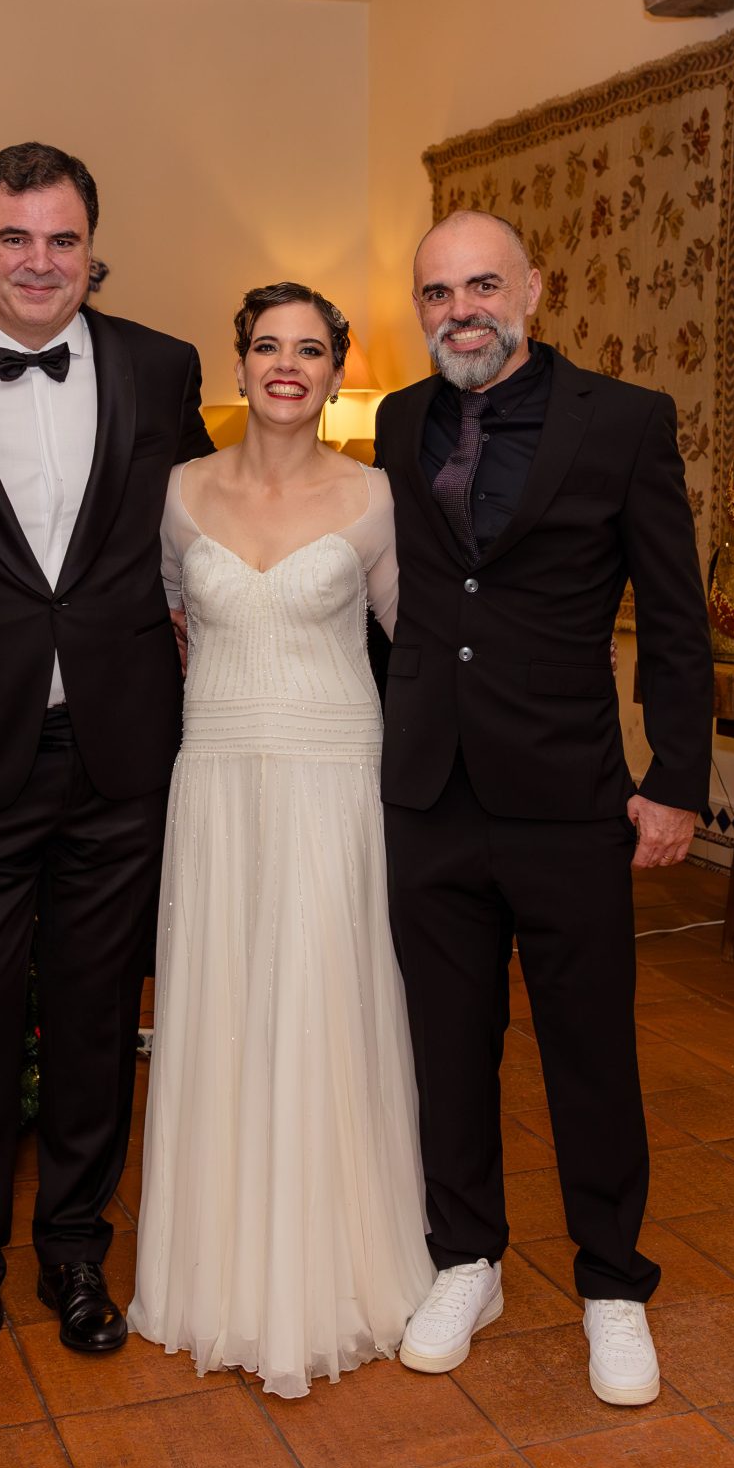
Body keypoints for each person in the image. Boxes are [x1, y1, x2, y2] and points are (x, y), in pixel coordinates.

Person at [0, 142, 214, 1390]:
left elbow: (200, 532)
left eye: (62, 239)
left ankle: (73, 1255)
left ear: (91, 249)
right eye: (14, 237)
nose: (38, 262)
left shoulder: (162, 368)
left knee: (93, 1019)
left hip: (120, 756)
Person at [375, 209, 712, 1408]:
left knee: (589, 1051)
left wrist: (676, 780)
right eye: (435, 293)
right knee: (446, 1045)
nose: (458, 310)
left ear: (530, 289)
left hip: (569, 793)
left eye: (481, 285)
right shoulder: (397, 420)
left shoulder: (623, 421)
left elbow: (673, 614)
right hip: (428, 791)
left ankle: (612, 1284)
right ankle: (466, 1259)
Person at [128, 283, 434, 1398]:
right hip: (216, 780)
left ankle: (334, 1272)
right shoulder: (177, 493)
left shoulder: (376, 497)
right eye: (268, 345)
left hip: (333, 780)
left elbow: (418, 638)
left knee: (321, 1001)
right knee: (224, 1001)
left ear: (338, 371)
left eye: (311, 348)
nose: (288, 365)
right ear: (240, 363)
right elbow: (169, 620)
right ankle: (216, 1271)